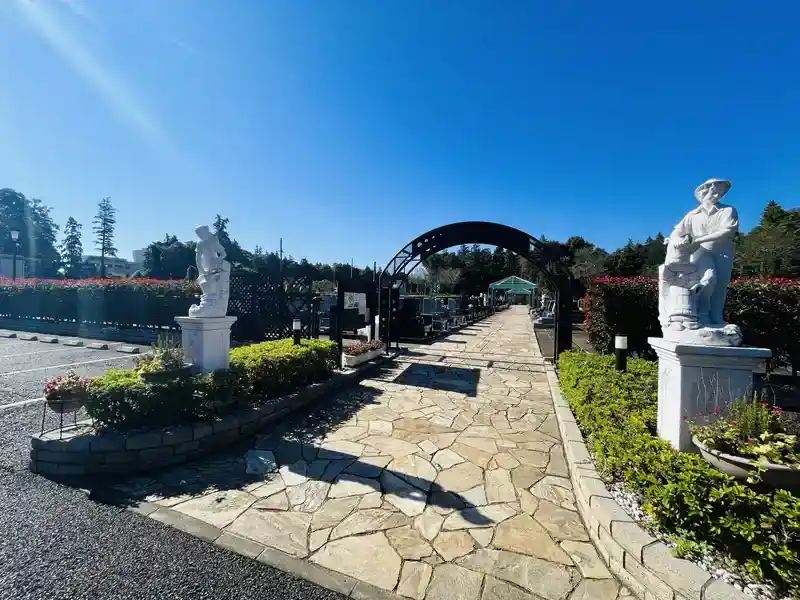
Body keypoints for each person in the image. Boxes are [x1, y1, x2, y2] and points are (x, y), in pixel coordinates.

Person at [672, 179, 738, 326]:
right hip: (701, 252)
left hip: (723, 253)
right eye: (712, 190)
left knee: (720, 287)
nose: (716, 194)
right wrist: (676, 240)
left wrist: (699, 239)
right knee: (709, 278)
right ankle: (699, 313)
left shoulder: (728, 210)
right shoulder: (692, 215)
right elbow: (678, 231)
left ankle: (715, 318)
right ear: (703, 194)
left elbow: (727, 231)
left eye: (720, 191)